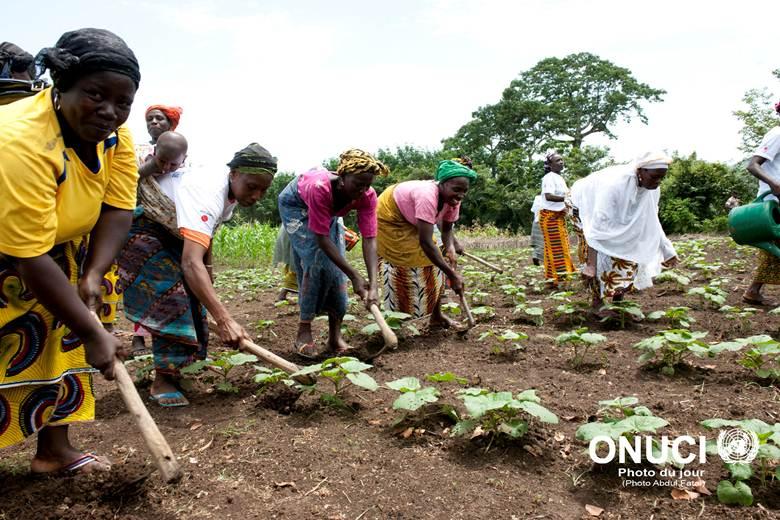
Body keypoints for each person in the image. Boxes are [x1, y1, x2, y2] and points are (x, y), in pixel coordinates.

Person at [0, 28, 140, 473]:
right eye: (95, 95)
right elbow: (28, 253)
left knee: (63, 345)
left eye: (122, 102)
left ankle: (54, 451)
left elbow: (118, 207)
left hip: (62, 248)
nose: (110, 111)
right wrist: (93, 332)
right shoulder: (20, 139)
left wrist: (94, 273)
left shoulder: (117, 136)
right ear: (61, 85)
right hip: (17, 249)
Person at [119, 143, 275, 406]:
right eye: (252, 187)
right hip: (144, 230)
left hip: (172, 235)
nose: (257, 196)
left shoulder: (229, 195)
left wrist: (209, 270)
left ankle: (177, 371)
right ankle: (162, 381)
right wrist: (224, 320)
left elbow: (207, 233)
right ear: (233, 174)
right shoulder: (208, 191)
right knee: (172, 301)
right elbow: (191, 263)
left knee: (196, 302)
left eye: (264, 190)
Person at [279, 149, 386, 358]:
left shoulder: (367, 195)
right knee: (316, 262)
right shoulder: (320, 188)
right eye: (358, 184)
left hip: (328, 211)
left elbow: (370, 239)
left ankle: (334, 337)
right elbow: (321, 239)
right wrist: (355, 276)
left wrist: (373, 286)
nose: (363, 190)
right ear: (342, 177)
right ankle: (304, 329)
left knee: (337, 272)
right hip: (295, 206)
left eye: (367, 185)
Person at [569, 152, 678, 313]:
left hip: (608, 212)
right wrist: (591, 265)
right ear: (640, 170)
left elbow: (651, 220)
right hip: (582, 206)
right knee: (601, 256)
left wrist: (667, 250)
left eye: (661, 178)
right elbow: (595, 227)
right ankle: (597, 303)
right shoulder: (613, 185)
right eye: (654, 177)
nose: (658, 182)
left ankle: (617, 302)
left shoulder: (652, 189)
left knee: (628, 252)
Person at [376, 160, 475, 326]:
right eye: (456, 189)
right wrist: (452, 275)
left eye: (464, 191)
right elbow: (426, 242)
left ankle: (436, 316)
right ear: (441, 184)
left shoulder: (454, 200)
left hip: (410, 217)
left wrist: (450, 249)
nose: (460, 195)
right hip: (390, 217)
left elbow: (446, 230)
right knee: (408, 263)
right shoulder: (427, 196)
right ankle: (394, 321)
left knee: (438, 262)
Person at [129, 105, 185, 352]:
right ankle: (139, 337)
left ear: (170, 124)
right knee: (141, 283)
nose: (153, 122)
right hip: (142, 222)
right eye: (149, 119)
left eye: (159, 119)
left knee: (171, 282)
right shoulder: (136, 151)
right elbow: (125, 180)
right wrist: (150, 167)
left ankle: (170, 334)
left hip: (172, 225)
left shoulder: (183, 153)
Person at [742, 101, 780, 307]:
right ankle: (752, 291)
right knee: (773, 249)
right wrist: (774, 183)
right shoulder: (777, 134)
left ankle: (753, 291)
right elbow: (752, 165)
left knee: (774, 249)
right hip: (772, 202)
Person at [539, 151, 575, 285]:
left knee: (559, 247)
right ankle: (561, 279)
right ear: (550, 165)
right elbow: (548, 196)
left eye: (562, 160)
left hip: (558, 216)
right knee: (556, 248)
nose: (561, 162)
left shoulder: (559, 178)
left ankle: (553, 279)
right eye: (558, 160)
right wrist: (568, 199)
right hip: (550, 218)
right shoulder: (549, 178)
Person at [530, 195, 544, 266]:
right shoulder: (548, 200)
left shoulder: (537, 198)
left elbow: (533, 210)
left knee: (537, 243)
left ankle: (535, 256)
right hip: (544, 222)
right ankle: (544, 260)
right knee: (544, 242)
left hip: (536, 222)